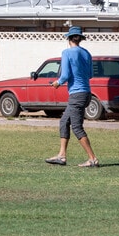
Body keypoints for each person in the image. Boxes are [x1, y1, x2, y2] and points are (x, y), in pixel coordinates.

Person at [45, 26, 99, 167]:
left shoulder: (67, 53)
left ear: (69, 39)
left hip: (76, 94)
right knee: (64, 122)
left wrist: (58, 83)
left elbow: (65, 75)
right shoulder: (86, 53)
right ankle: (61, 156)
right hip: (86, 93)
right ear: (80, 39)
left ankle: (92, 159)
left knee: (76, 127)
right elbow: (90, 75)